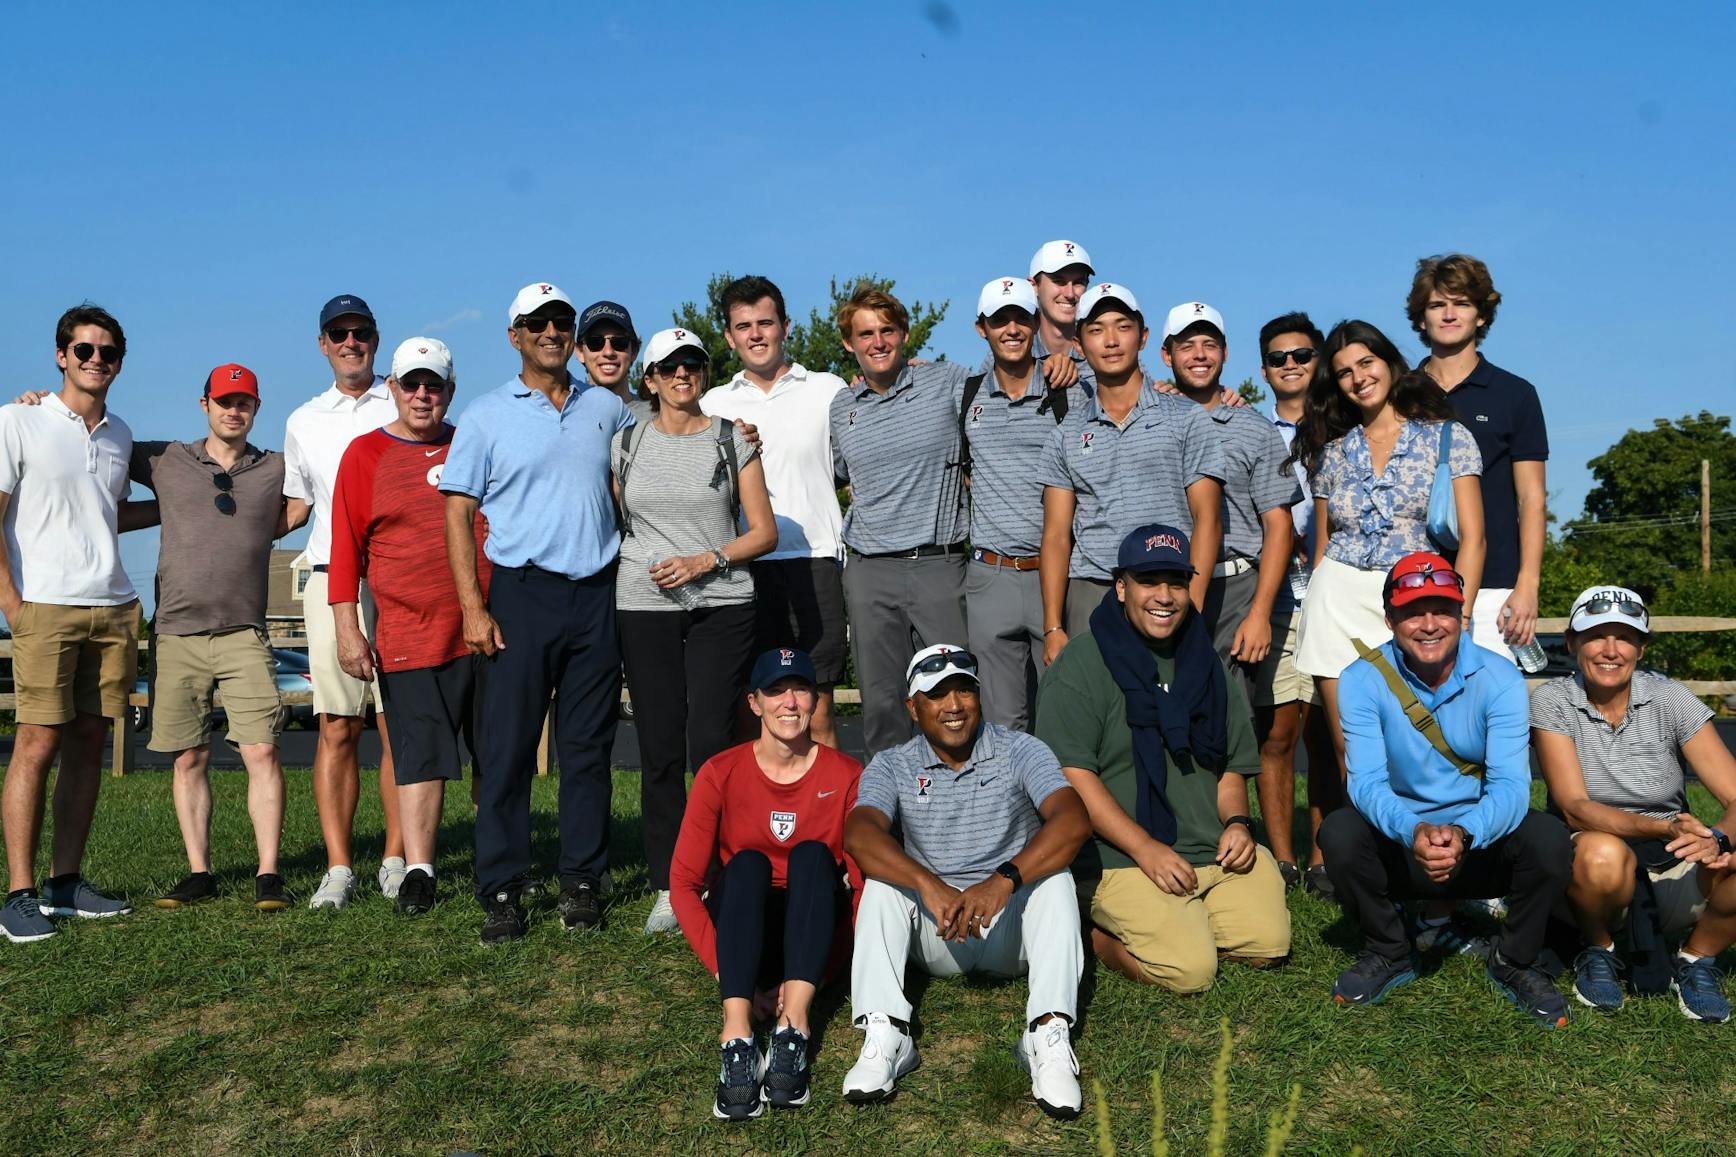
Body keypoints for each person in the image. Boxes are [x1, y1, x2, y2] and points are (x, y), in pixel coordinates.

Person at [442, 281, 633, 943]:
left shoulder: (604, 407)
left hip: (595, 592)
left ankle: (581, 877)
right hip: (520, 595)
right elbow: (458, 511)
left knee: (588, 749)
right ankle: (501, 884)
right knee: (507, 750)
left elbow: (663, 439)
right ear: (515, 335)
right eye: (538, 322)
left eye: (561, 321)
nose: (552, 331)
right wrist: (473, 606)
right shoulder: (487, 415)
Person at [1319, 552, 1572, 1028]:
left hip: (1478, 842)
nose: (1429, 624)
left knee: (1549, 838)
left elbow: (1512, 787)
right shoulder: (1360, 679)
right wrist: (1414, 829)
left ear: (1463, 615)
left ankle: (1515, 960)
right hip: (1402, 842)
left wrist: (1464, 832)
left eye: (1442, 609)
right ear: (1390, 617)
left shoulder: (1500, 676)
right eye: (1414, 611)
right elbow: (1366, 783)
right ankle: (1390, 950)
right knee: (1339, 832)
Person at [1036, 524, 1291, 992]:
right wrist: (1144, 848)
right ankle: (1095, 935)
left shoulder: (1204, 660)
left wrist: (1237, 823)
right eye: (1149, 581)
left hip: (1210, 848)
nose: (1165, 596)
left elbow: (1231, 765)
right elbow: (1072, 777)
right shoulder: (1080, 664)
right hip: (1121, 858)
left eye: (1176, 582)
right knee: (1189, 971)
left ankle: (1186, 917)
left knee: (1267, 944)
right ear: (1120, 587)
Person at [843, 644, 1091, 1119]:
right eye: (936, 695)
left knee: (1056, 880)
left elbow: (1072, 821)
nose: (954, 706)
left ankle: (1047, 1034)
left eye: (964, 690)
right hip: (939, 931)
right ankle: (887, 1033)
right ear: (913, 709)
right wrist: (928, 883)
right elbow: (859, 833)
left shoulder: (1021, 748)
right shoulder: (893, 764)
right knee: (881, 884)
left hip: (1009, 926)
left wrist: (1004, 880)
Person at [613, 326, 777, 935]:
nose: (684, 374)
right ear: (650, 379)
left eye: (694, 364)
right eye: (670, 366)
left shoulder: (733, 439)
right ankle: (669, 884)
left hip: (722, 605)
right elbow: (620, 518)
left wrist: (706, 560)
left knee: (711, 744)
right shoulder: (626, 443)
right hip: (643, 606)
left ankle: (723, 873)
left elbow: (763, 532)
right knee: (657, 749)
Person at [0, 304, 150, 942]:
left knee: (91, 742)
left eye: (108, 352)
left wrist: (187, 510)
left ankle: (66, 884)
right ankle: (18, 895)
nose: (96, 361)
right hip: (44, 605)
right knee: (36, 743)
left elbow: (106, 514)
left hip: (112, 606)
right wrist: (11, 604)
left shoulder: (119, 434)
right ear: (61, 355)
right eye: (84, 350)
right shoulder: (18, 420)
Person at [669, 648, 863, 1120]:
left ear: (816, 701)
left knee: (815, 856)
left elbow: (862, 889)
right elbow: (683, 885)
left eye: (800, 690)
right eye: (776, 691)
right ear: (755, 703)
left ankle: (792, 1028)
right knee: (749, 864)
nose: (790, 703)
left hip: (811, 930)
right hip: (743, 933)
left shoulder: (847, 774)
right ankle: (736, 1035)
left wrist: (825, 972)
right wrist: (723, 968)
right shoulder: (720, 772)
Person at [329, 338, 488, 916]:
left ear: (451, 389)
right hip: (408, 630)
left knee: (494, 752)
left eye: (435, 385)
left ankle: (495, 859)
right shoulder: (364, 454)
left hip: (482, 627)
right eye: (411, 384)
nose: (423, 395)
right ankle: (420, 869)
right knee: (420, 755)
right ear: (392, 388)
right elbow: (345, 548)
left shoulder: (473, 441)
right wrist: (347, 626)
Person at [1284, 320, 1485, 772]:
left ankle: (1421, 841)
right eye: (1343, 372)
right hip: (1336, 603)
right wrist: (1315, 592)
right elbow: (1324, 543)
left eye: (1366, 363)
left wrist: (1461, 614)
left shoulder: (1447, 438)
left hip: (1418, 602)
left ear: (1389, 363)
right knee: (1351, 753)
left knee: (1418, 746)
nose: (1358, 378)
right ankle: (1364, 842)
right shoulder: (1332, 453)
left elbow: (1474, 538)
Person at [1532, 585, 1735, 1022]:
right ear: (1572, 643)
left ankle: (1698, 959)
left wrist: (1717, 839)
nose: (1611, 650)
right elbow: (1574, 807)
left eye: (1624, 637)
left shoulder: (1670, 698)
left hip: (1672, 859)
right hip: (1595, 870)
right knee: (1601, 850)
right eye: (1595, 636)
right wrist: (1666, 829)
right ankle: (1599, 948)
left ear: (1641, 648)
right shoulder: (1552, 700)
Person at [137, 365, 290, 912]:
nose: (234, 410)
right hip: (176, 632)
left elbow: (309, 494)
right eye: (225, 400)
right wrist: (40, 405)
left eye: (244, 401)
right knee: (188, 758)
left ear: (256, 407)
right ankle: (199, 872)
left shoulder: (274, 467)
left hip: (244, 632)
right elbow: (94, 442)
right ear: (204, 403)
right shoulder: (163, 458)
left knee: (263, 750)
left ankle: (268, 874)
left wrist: (274, 525)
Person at [282, 293, 403, 908]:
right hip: (332, 578)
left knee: (398, 723)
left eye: (361, 331)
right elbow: (295, 508)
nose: (351, 341)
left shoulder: (407, 397)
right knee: (337, 726)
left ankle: (397, 858)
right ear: (323, 344)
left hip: (399, 576)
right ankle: (338, 868)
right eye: (339, 332)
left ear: (375, 340)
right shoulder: (304, 419)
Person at [1037, 283, 1225, 666]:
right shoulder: (1065, 434)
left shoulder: (1187, 419)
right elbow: (1056, 535)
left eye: (1122, 327)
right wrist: (1053, 626)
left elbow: (1207, 520)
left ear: (1143, 337)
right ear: (1078, 344)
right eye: (1096, 329)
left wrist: (1195, 605)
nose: (1110, 340)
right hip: (1092, 590)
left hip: (1167, 590)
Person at [700, 276, 850, 749]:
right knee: (754, 714)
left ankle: (828, 822)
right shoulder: (713, 404)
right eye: (744, 326)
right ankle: (755, 825)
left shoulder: (829, 389)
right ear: (729, 336)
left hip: (815, 562)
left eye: (765, 322)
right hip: (744, 569)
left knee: (818, 712)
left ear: (786, 326)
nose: (756, 334)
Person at [829, 287, 972, 758]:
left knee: (956, 698)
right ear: (849, 343)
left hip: (939, 566)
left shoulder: (948, 381)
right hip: (870, 572)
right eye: (865, 333)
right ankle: (887, 820)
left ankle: (966, 813)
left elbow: (1015, 381)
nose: (877, 342)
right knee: (883, 706)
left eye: (886, 330)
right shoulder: (841, 408)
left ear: (905, 335)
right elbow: (840, 476)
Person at [1410, 255, 1548, 668]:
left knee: (1488, 717)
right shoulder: (1398, 391)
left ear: (1482, 316)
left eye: (1462, 303)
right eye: (1437, 305)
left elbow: (1532, 500)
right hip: (1411, 580)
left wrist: (1527, 586)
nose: (1449, 314)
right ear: (1421, 319)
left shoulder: (1516, 394)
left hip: (1495, 586)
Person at [1158, 303, 1299, 695]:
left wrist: (1260, 614)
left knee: (1235, 724)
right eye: (1186, 345)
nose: (1199, 355)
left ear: (1225, 352)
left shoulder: (1255, 428)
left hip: (1236, 589)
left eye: (1210, 344)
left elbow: (1279, 526)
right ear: (1166, 355)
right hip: (1163, 586)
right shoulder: (1148, 421)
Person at [962, 276, 1079, 731]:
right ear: (981, 329)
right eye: (999, 320)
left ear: (1035, 322)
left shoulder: (1067, 388)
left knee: (1063, 721)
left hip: (1057, 576)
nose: (1011, 329)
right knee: (1003, 725)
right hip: (990, 577)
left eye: (1020, 318)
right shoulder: (965, 392)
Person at [1256, 312, 1339, 898]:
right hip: (1280, 589)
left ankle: (1324, 857)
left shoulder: (1346, 427)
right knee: (1280, 729)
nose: (1291, 365)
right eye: (1280, 357)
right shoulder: (1251, 429)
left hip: (1336, 590)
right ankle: (1281, 858)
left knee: (1330, 732)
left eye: (1302, 355)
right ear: (1264, 370)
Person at [1023, 240, 1094, 389]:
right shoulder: (1013, 345)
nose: (1069, 293)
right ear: (1033, 286)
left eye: (1078, 283)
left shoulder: (1106, 346)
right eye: (1059, 281)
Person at [575, 300, 642, 410]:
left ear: (634, 351)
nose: (608, 352)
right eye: (595, 342)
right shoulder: (562, 416)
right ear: (580, 352)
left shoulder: (660, 418)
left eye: (619, 342)